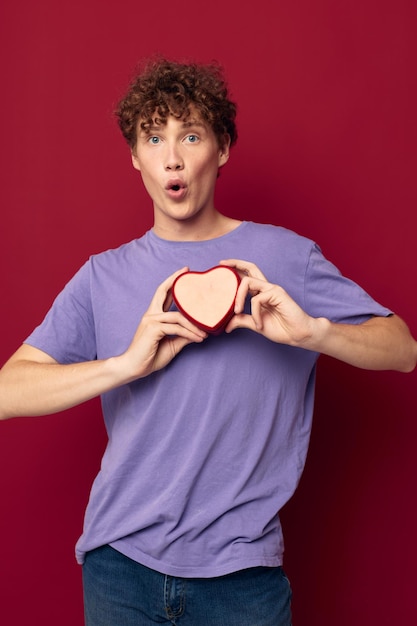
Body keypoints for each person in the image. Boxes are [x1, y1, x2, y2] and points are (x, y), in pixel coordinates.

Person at [0, 57, 416, 626]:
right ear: (135, 158)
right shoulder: (103, 276)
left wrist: (313, 333)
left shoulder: (287, 257)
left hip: (244, 579)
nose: (172, 157)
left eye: (190, 136)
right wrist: (125, 365)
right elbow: (6, 392)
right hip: (120, 567)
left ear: (220, 150)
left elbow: (403, 348)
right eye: (154, 138)